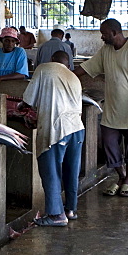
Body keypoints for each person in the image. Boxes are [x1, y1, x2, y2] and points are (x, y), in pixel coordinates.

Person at [75, 18, 128, 196]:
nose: (102, 37)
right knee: (109, 144)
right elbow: (87, 67)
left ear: (115, 33)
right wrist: (66, 75)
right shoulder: (106, 50)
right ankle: (122, 177)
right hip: (112, 109)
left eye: (104, 34)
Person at [22, 50, 85, 226]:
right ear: (67, 64)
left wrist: (19, 106)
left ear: (51, 59)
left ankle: (56, 215)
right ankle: (70, 210)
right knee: (71, 172)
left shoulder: (44, 68)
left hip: (56, 129)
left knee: (51, 171)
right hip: (77, 129)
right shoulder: (74, 77)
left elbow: (28, 100)